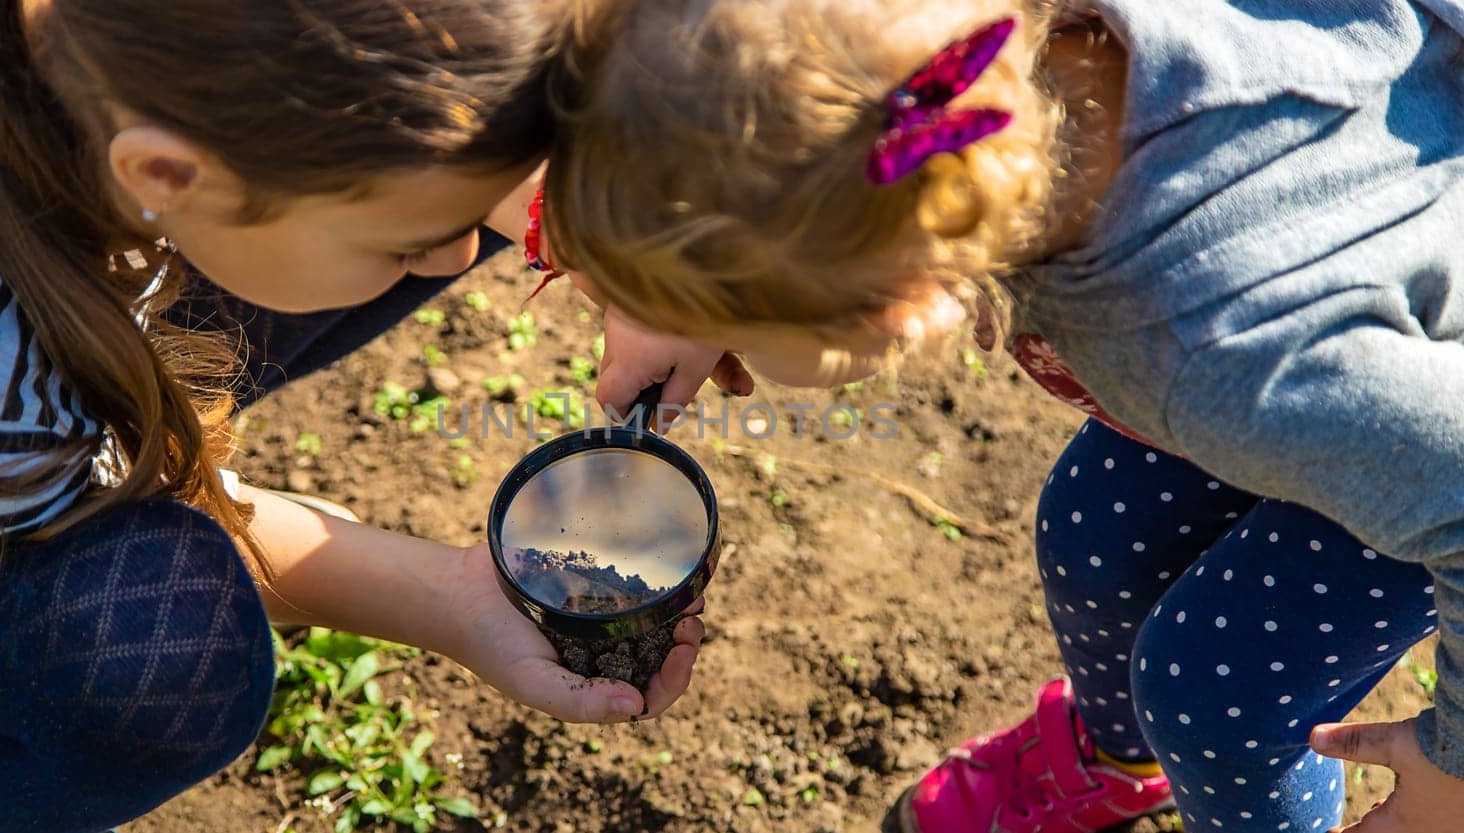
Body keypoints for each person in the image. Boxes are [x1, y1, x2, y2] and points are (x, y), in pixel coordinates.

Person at [545, 1, 1464, 831]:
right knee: (1093, 531)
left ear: (900, 312)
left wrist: (1452, 774)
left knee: (1216, 699)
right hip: (1347, 339)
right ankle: (1119, 758)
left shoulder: (1206, 351)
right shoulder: (983, 53)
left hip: (1428, 423)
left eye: (727, 326)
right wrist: (696, 270)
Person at [0, 2, 707, 831]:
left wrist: (609, 232)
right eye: (410, 242)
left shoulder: (103, 65)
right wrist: (442, 598)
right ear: (166, 177)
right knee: (171, 636)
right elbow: (130, 509)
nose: (456, 258)